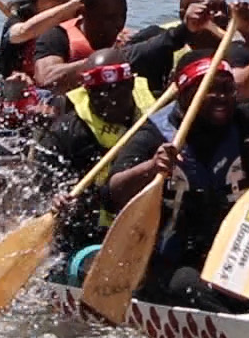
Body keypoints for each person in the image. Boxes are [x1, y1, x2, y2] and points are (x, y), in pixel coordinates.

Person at [100, 1, 249, 304]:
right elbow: (111, 192)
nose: (220, 98)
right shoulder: (153, 133)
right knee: (186, 286)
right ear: (184, 93)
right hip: (164, 258)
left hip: (229, 251)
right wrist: (151, 168)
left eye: (226, 88)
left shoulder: (241, 122)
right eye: (208, 90)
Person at [39, 45, 166, 257]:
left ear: (131, 84)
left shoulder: (158, 117)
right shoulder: (66, 132)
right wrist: (56, 197)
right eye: (97, 94)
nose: (107, 100)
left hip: (140, 221)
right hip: (87, 227)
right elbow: (44, 184)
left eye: (115, 90)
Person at [33, 0, 130, 90]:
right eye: (109, 17)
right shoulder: (56, 37)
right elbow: (45, 78)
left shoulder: (127, 40)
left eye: (122, 15)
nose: (118, 23)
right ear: (83, 11)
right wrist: (100, 62)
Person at [0, 0, 81, 80]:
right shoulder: (19, 20)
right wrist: (69, 6)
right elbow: (20, 34)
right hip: (15, 87)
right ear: (36, 2)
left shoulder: (82, 24)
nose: (61, 3)